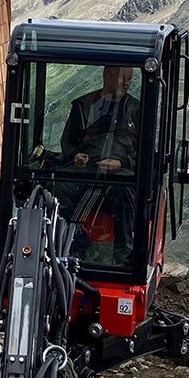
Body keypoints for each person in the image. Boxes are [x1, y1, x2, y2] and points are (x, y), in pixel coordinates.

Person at [55, 66, 141, 262]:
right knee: (58, 187)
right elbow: (68, 141)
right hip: (86, 170)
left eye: (129, 78)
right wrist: (75, 155)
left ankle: (124, 256)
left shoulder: (137, 110)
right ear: (106, 75)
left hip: (121, 172)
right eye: (122, 78)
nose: (126, 83)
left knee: (126, 189)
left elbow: (145, 151)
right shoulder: (82, 106)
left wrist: (121, 163)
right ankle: (77, 243)